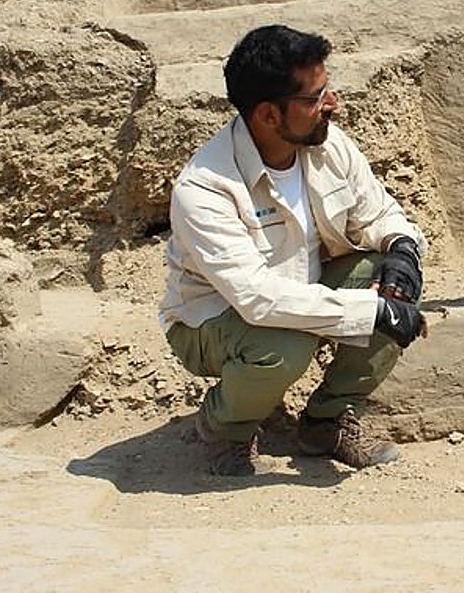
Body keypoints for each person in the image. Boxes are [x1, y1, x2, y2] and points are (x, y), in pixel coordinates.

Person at [158, 24, 429, 477]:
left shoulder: (326, 144)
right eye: (314, 97)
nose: (332, 104)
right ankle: (227, 425)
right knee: (286, 344)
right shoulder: (204, 188)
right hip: (212, 323)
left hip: (302, 292)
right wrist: (371, 312)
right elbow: (257, 298)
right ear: (267, 115)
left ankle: (326, 423)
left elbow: (380, 213)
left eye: (328, 89)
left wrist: (402, 249)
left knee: (392, 283)